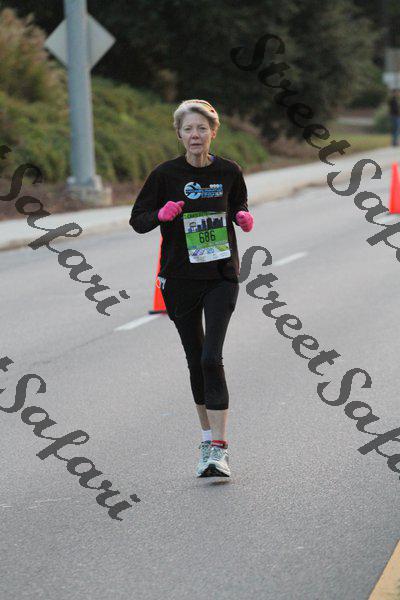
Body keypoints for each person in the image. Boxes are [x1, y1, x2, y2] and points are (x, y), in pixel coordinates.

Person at [129, 99, 254, 478]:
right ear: (179, 134)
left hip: (220, 276)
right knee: (195, 356)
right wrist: (160, 214)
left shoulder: (229, 171)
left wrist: (242, 216)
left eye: (202, 128)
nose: (195, 135)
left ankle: (219, 449)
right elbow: (138, 220)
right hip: (179, 278)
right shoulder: (164, 175)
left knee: (210, 357)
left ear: (213, 132)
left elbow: (239, 203)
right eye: (188, 129)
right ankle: (205, 440)